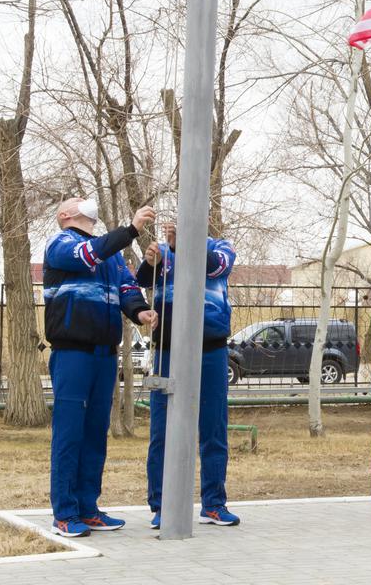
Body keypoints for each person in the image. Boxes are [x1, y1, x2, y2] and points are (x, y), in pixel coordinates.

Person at [43, 197, 157, 537]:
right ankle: (64, 513)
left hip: (105, 355)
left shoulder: (109, 255)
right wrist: (131, 230)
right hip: (72, 354)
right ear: (65, 215)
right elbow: (87, 256)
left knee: (95, 434)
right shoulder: (62, 244)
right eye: (77, 202)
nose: (85, 202)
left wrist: (141, 312)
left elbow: (127, 288)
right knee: (69, 434)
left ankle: (88, 508)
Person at [136, 222, 239, 529]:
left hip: (210, 349)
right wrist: (150, 260)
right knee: (162, 430)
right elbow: (143, 279)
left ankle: (214, 504)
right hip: (169, 350)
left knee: (213, 428)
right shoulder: (163, 252)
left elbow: (215, 267)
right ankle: (161, 505)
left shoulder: (221, 247)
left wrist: (182, 245)